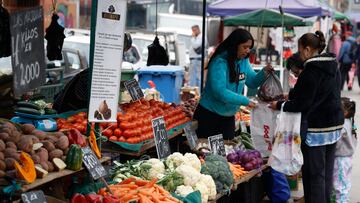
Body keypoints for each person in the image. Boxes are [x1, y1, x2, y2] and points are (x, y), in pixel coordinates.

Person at [269, 31, 344, 203]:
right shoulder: (332, 65)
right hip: (333, 126)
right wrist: (294, 94)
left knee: (314, 174)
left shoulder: (311, 70)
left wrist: (279, 105)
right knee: (325, 173)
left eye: (301, 50)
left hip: (317, 128)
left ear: (308, 49)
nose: (301, 54)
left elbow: (303, 104)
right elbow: (321, 92)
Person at [193, 28, 273, 140]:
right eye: (244, 47)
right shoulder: (219, 62)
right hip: (209, 116)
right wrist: (245, 101)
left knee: (227, 153)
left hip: (228, 118)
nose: (247, 51)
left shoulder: (244, 61)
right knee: (207, 153)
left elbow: (252, 82)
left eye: (249, 48)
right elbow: (220, 92)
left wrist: (264, 72)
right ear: (235, 45)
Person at [332, 97, 357, 203]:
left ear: (345, 112)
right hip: (347, 159)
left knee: (340, 186)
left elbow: (335, 139)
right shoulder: (350, 122)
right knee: (344, 184)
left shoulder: (343, 124)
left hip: (340, 160)